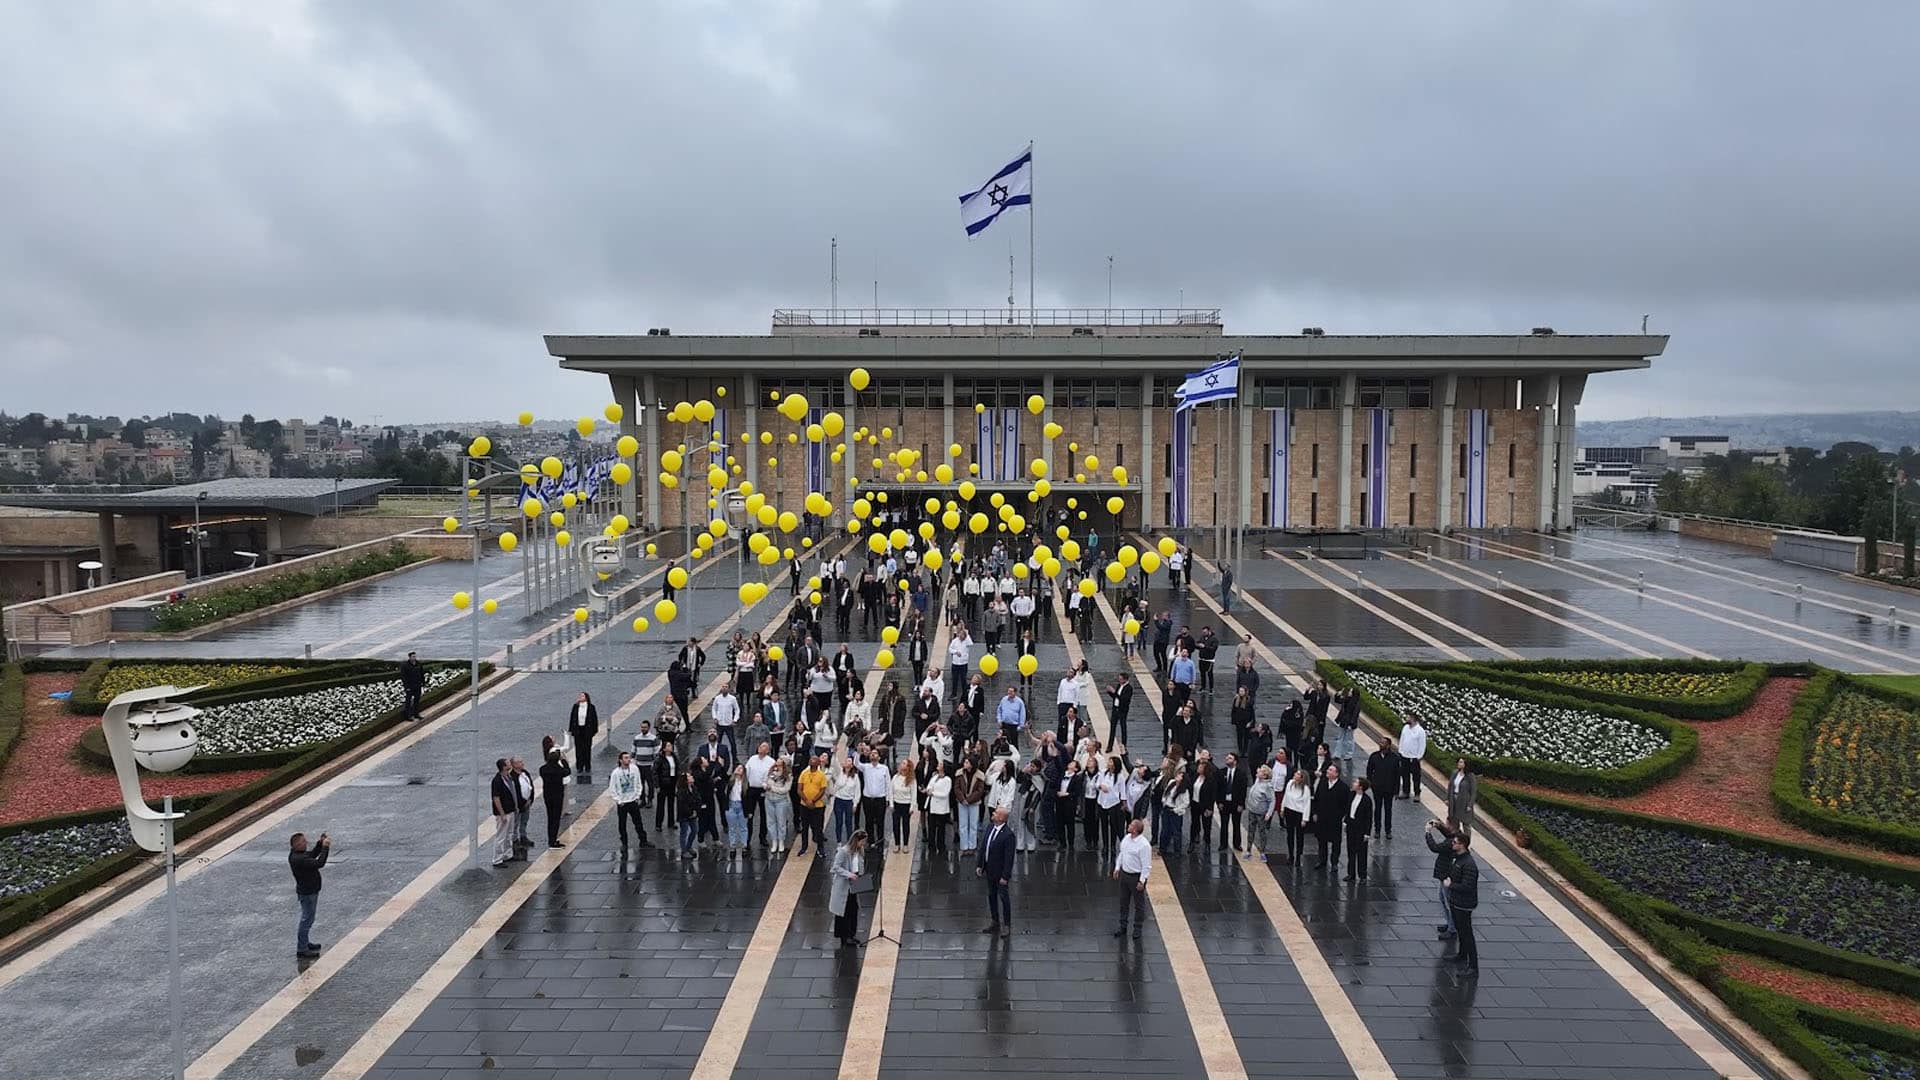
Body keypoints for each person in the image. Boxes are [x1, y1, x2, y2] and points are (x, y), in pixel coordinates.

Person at [288, 831, 331, 958]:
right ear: (296, 845)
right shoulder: (299, 859)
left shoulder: (297, 855)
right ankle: (302, 948)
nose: (306, 843)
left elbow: (312, 855)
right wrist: (325, 847)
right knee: (307, 920)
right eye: (303, 842)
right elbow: (319, 863)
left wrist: (319, 844)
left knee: (308, 918)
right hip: (308, 892)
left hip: (308, 891)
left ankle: (305, 942)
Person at [1444, 830, 1480, 975]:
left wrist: (1450, 885)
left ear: (1463, 845)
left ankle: (1473, 966)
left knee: (1467, 934)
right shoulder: (1459, 858)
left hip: (1464, 904)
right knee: (1461, 931)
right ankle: (1462, 955)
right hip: (1456, 901)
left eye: (1455, 842)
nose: (1452, 844)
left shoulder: (1468, 864)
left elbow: (1468, 886)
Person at [1112, 817, 1152, 941]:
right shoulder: (1126, 839)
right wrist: (1117, 868)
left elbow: (1146, 865)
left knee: (1139, 905)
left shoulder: (1144, 845)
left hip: (1136, 877)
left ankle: (1137, 928)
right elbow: (1122, 854)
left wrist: (1142, 880)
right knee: (1123, 902)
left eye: (1130, 825)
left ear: (1135, 830)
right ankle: (1123, 926)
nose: (1128, 826)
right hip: (1125, 875)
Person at [978, 806, 1015, 936]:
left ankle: (1007, 925)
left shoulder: (1008, 835)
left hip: (1000, 874)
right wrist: (980, 865)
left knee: (1004, 898)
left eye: (995, 813)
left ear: (1001, 818)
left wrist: (1005, 876)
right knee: (991, 896)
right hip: (989, 870)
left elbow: (1009, 858)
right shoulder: (990, 828)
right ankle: (995, 921)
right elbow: (984, 847)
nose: (992, 814)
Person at [830, 829, 870, 948]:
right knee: (844, 911)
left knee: (853, 909)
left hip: (854, 885)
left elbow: (860, 865)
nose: (863, 844)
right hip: (843, 885)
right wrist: (849, 874)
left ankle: (851, 934)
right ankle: (844, 936)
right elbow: (835, 867)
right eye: (862, 841)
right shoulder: (843, 852)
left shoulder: (859, 851)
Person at [1425, 818, 1461, 941]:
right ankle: (1450, 924)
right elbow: (1448, 833)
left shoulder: (1450, 843)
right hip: (1445, 873)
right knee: (1443, 898)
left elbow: (1434, 847)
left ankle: (1452, 929)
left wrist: (1428, 833)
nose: (1446, 825)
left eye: (1447, 824)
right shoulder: (1456, 836)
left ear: (1452, 827)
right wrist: (1439, 826)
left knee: (1448, 901)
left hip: (1446, 873)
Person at [1309, 764, 1348, 870]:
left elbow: (1345, 805)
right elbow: (1316, 799)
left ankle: (1334, 862)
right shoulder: (1323, 783)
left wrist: (1340, 816)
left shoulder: (1343, 787)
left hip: (1334, 820)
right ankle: (1322, 860)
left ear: (1336, 774)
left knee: (1336, 842)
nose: (1327, 771)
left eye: (1330, 770)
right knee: (1321, 840)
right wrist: (1315, 812)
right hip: (1321, 818)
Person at [608, 750, 649, 848]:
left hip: (633, 801)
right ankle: (624, 843)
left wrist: (637, 796)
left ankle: (643, 840)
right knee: (622, 824)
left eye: (629, 757)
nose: (628, 759)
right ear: (621, 760)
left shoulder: (634, 769)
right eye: (626, 758)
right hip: (623, 803)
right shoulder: (616, 773)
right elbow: (612, 788)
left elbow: (639, 782)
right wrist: (618, 800)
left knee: (638, 822)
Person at [1365, 737, 1400, 839]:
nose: (1380, 744)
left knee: (1388, 810)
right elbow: (1369, 770)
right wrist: (1370, 782)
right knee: (1377, 809)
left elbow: (1397, 776)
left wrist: (1396, 791)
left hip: (1389, 788)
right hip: (1377, 788)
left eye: (1383, 743)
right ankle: (1377, 829)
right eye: (1380, 742)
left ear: (1388, 745)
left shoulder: (1394, 758)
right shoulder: (1374, 756)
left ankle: (1388, 830)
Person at [488, 758, 519, 867]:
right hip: (504, 812)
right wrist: (502, 814)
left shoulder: (508, 777)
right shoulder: (497, 780)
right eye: (508, 763)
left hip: (511, 810)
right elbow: (496, 798)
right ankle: (497, 859)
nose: (510, 764)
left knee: (509, 834)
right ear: (503, 767)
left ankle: (507, 854)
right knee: (501, 835)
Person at [797, 753, 830, 856]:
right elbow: (799, 789)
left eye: (815, 760)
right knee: (805, 827)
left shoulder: (821, 775)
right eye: (811, 759)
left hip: (818, 806)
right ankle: (804, 847)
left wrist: (813, 801)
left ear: (819, 763)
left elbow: (822, 790)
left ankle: (820, 848)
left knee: (818, 827)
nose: (813, 761)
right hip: (804, 805)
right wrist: (806, 800)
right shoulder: (804, 773)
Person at [538, 749, 571, 847]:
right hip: (557, 796)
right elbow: (568, 771)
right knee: (556, 818)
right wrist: (564, 761)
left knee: (550, 817)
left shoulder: (543, 769)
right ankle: (553, 840)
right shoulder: (559, 770)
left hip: (547, 796)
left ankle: (550, 838)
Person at [1280, 765, 1313, 865]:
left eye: (1298, 774)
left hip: (1299, 814)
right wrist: (1282, 808)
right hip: (1289, 811)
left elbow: (1307, 804)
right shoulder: (1290, 783)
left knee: (1299, 837)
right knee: (1289, 835)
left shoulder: (1306, 789)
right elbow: (1285, 796)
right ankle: (1291, 855)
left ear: (1302, 777)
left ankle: (1298, 856)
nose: (1295, 775)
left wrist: (1305, 819)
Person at [1217, 752, 1250, 852]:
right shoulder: (1221, 772)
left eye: (1230, 758)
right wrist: (1219, 802)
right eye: (1227, 758)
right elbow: (1218, 788)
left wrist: (1241, 804)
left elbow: (1243, 791)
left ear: (1235, 761)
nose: (1227, 759)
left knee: (1236, 824)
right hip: (1224, 802)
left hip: (1236, 803)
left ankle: (1237, 844)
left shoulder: (1241, 774)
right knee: (1224, 823)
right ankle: (1223, 843)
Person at [1343, 778, 1375, 882]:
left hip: (1361, 828)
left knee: (1361, 852)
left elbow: (1369, 818)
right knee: (1350, 850)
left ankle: (1362, 875)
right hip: (1351, 826)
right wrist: (1346, 821)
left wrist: (1367, 833)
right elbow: (1348, 809)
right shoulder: (1351, 795)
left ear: (1361, 787)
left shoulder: (1367, 800)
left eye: (1356, 782)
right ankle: (1351, 873)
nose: (1353, 783)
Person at [1245, 765, 1276, 860]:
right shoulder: (1257, 780)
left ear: (1265, 775)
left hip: (1261, 813)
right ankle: (1248, 850)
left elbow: (1272, 800)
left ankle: (1262, 852)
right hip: (1252, 811)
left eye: (1260, 772)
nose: (1257, 772)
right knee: (1250, 831)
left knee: (1262, 832)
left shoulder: (1268, 786)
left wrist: (1269, 813)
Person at [567, 692, 599, 783]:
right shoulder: (576, 706)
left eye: (582, 696)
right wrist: (571, 730)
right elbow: (572, 717)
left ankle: (587, 765)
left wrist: (594, 730)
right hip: (578, 730)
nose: (580, 697)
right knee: (578, 749)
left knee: (587, 748)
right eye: (580, 696)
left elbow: (594, 719)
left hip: (587, 730)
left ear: (586, 698)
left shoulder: (591, 707)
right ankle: (579, 766)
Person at [888, 758, 918, 853]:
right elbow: (891, 791)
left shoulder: (912, 780)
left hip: (906, 804)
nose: (902, 765)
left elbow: (914, 794)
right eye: (902, 763)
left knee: (906, 825)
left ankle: (905, 844)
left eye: (904, 763)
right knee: (895, 824)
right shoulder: (895, 777)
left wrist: (912, 807)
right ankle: (897, 844)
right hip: (896, 804)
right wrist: (891, 804)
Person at [765, 760, 794, 855]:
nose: (777, 764)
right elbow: (765, 781)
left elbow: (786, 789)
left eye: (780, 763)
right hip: (769, 799)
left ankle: (781, 840)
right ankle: (774, 840)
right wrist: (765, 786)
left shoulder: (788, 775)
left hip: (781, 801)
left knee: (781, 822)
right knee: (771, 821)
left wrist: (772, 788)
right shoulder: (770, 771)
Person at [924, 760, 953, 854]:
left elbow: (945, 793)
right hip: (933, 806)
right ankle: (931, 844)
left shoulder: (947, 779)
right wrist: (928, 790)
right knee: (931, 826)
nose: (938, 765)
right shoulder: (935, 776)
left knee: (941, 828)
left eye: (940, 764)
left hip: (941, 808)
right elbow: (929, 786)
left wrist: (933, 793)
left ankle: (941, 845)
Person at [1398, 713, 1429, 799]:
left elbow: (1422, 744)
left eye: (1408, 717)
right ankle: (1405, 791)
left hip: (1414, 757)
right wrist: (1400, 751)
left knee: (1416, 777)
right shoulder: (1405, 728)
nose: (1407, 718)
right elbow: (1402, 739)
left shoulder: (1420, 731)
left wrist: (1419, 756)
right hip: (1404, 756)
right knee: (1404, 775)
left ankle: (1417, 793)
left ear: (1413, 719)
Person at [1447, 758, 1478, 837]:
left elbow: (1473, 792)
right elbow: (1450, 786)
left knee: (1466, 824)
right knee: (1454, 822)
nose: (1459, 763)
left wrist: (1470, 805)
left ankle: (1466, 841)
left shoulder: (1470, 776)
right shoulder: (1454, 773)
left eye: (1461, 762)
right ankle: (1456, 840)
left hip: (1464, 801)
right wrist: (1448, 799)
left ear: (1465, 764)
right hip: (1454, 799)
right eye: (1459, 762)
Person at [510, 757, 534, 855]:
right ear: (514, 764)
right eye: (519, 762)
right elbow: (515, 792)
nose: (522, 763)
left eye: (522, 761)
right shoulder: (512, 776)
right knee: (515, 823)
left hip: (527, 802)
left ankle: (523, 836)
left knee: (524, 821)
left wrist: (530, 799)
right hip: (519, 804)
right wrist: (521, 803)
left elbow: (530, 785)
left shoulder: (525, 773)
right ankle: (515, 840)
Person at [725, 764, 750, 856]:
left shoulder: (746, 783)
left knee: (743, 827)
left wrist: (749, 811)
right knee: (732, 828)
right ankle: (733, 846)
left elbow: (748, 798)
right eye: (737, 768)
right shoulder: (730, 781)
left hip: (742, 806)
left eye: (741, 769)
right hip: (731, 805)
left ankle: (744, 846)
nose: (739, 770)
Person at [675, 772, 702, 859]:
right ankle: (684, 851)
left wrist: (696, 809)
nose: (692, 776)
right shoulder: (682, 791)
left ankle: (688, 846)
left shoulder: (693, 788)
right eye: (689, 776)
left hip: (693, 813)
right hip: (684, 815)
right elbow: (683, 804)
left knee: (694, 830)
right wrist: (691, 812)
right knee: (684, 832)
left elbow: (698, 799)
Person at [1109, 672, 1134, 749]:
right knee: (1112, 727)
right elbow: (1115, 697)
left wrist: (1114, 692)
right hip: (1115, 708)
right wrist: (1110, 692)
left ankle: (1124, 745)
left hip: (1122, 710)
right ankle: (1110, 745)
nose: (1119, 680)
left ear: (1125, 679)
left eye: (1121, 679)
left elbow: (1124, 699)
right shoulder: (1119, 685)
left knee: (1123, 727)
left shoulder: (1129, 688)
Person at [399, 652, 427, 720]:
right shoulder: (405, 665)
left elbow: (421, 673)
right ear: (409, 657)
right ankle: (407, 716)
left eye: (415, 656)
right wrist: (406, 687)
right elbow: (404, 677)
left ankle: (416, 714)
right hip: (410, 686)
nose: (414, 658)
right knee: (408, 701)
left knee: (417, 701)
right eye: (413, 656)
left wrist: (423, 683)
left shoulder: (418, 664)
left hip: (417, 685)